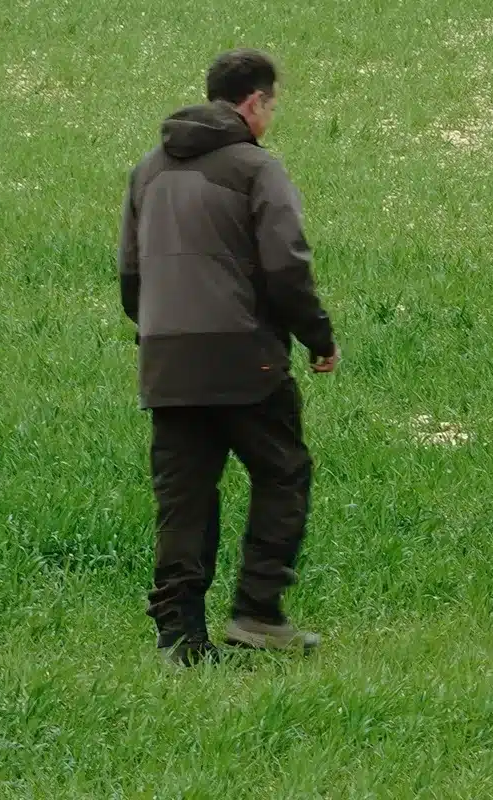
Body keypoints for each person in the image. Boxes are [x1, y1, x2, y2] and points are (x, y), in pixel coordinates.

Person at [117, 48, 339, 666]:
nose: (271, 118)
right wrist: (318, 338)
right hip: (247, 363)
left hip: (167, 364)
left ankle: (179, 638)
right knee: (283, 473)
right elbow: (286, 267)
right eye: (272, 106)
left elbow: (130, 276)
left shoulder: (146, 172)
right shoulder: (255, 169)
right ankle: (258, 612)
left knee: (184, 497)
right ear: (253, 103)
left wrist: (165, 333)